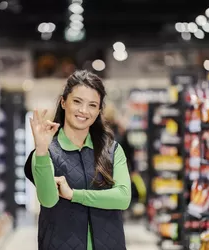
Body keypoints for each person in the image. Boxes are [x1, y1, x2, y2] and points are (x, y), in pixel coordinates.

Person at [24, 70, 131, 250]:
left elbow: (123, 198)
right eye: (77, 101)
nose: (83, 111)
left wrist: (74, 195)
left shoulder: (112, 150)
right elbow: (48, 199)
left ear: (98, 111)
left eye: (92, 105)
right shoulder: (46, 151)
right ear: (63, 102)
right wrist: (41, 150)